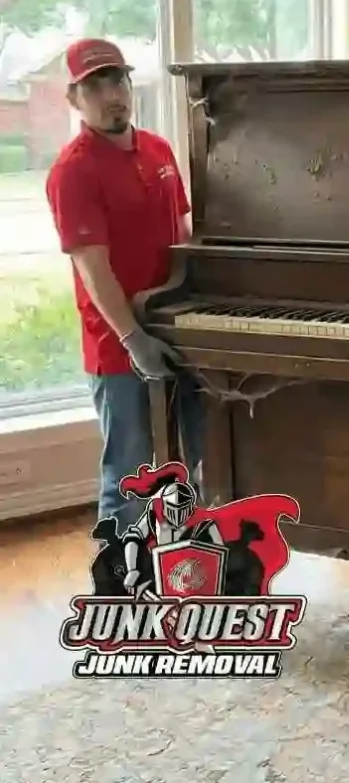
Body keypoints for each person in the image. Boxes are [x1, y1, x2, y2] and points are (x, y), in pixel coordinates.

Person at [45, 38, 204, 534]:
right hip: (118, 348)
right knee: (130, 478)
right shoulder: (73, 172)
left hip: (180, 332)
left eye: (117, 80)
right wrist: (134, 339)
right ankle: (121, 592)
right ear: (74, 99)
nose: (111, 94)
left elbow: (182, 235)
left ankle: (190, 573)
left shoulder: (158, 149)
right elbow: (93, 269)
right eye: (94, 86)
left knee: (200, 461)